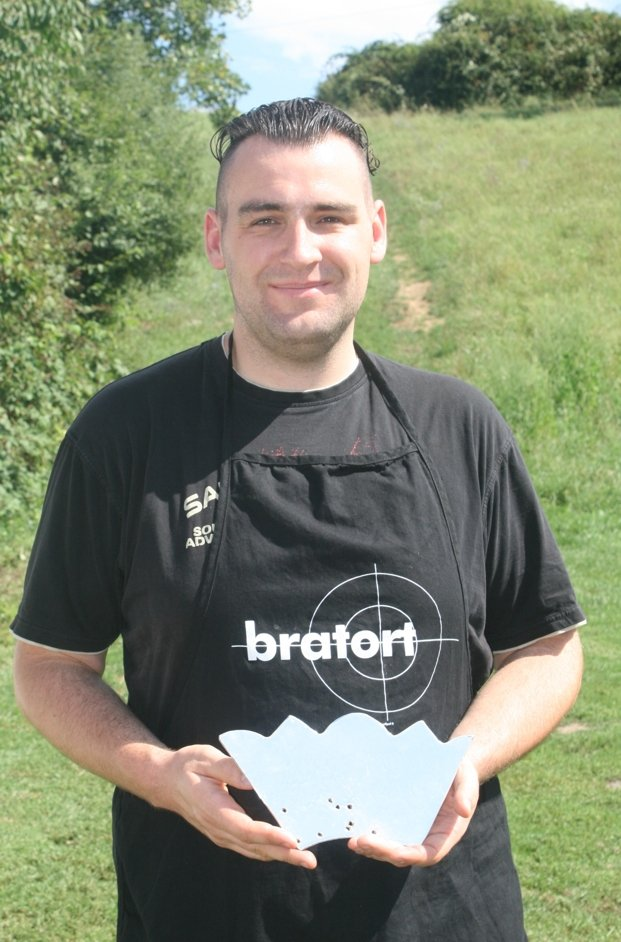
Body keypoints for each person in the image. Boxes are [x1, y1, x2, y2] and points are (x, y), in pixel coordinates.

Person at [12, 98, 585, 941]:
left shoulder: (458, 425)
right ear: (217, 239)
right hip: (202, 913)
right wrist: (162, 774)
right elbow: (52, 667)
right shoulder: (127, 432)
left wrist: (463, 759)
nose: (300, 250)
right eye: (264, 219)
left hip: (445, 914)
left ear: (375, 232)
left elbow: (544, 648)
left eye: (328, 217)